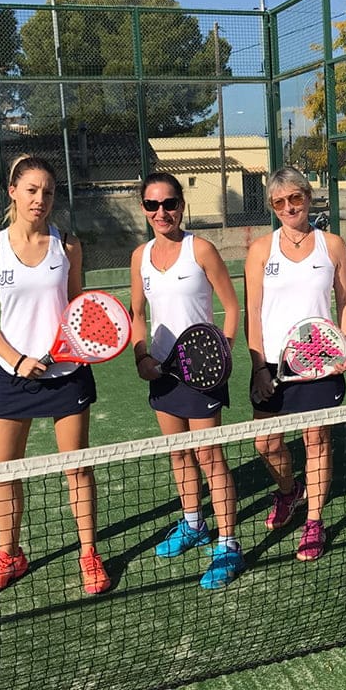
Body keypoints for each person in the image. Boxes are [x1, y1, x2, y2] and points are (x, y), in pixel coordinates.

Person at [0, 154, 110, 596]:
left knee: (77, 469)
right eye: (31, 190)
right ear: (13, 192)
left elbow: (77, 307)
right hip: (13, 377)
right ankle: (8, 556)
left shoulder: (68, 246)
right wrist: (16, 359)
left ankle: (89, 554)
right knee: (5, 474)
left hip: (67, 375)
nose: (40, 199)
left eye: (47, 192)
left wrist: (83, 343)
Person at [129, 173, 245, 590]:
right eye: (152, 205)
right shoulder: (140, 256)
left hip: (202, 375)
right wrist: (141, 356)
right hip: (162, 373)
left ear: (181, 205)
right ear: (144, 209)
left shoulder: (202, 250)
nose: (162, 212)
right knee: (178, 454)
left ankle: (229, 544)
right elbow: (137, 314)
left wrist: (221, 352)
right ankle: (194, 524)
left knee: (209, 456)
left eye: (169, 203)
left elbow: (231, 306)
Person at [245, 167, 346, 562]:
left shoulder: (332, 245)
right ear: (272, 206)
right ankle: (289, 491)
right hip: (273, 364)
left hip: (320, 363)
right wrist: (259, 366)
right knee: (266, 443)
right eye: (279, 202)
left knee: (316, 441)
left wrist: (345, 345)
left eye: (295, 198)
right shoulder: (261, 250)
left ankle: (314, 521)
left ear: (308, 197)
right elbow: (253, 312)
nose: (289, 207)